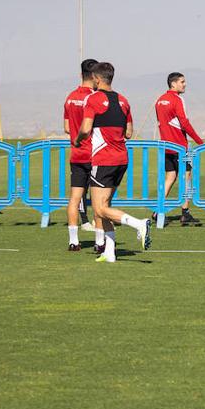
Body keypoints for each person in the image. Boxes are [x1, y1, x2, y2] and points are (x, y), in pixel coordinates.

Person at [76, 61, 152, 263]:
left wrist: (78, 140)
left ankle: (139, 224)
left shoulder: (92, 99)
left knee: (100, 209)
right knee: (105, 204)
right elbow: (128, 132)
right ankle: (109, 252)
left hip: (103, 159)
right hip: (121, 159)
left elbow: (85, 129)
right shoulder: (124, 101)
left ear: (97, 79)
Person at [155, 72, 204, 227]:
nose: (185, 84)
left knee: (170, 177)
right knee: (187, 176)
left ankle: (157, 211)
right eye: (182, 82)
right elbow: (184, 123)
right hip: (180, 146)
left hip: (166, 146)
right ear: (173, 84)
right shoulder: (177, 99)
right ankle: (185, 212)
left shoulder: (159, 100)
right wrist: (199, 141)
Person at [63, 58, 99, 251]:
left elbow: (67, 127)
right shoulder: (94, 98)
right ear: (95, 76)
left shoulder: (70, 97)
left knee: (74, 198)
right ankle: (99, 242)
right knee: (98, 199)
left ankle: (73, 241)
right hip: (93, 154)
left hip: (76, 155)